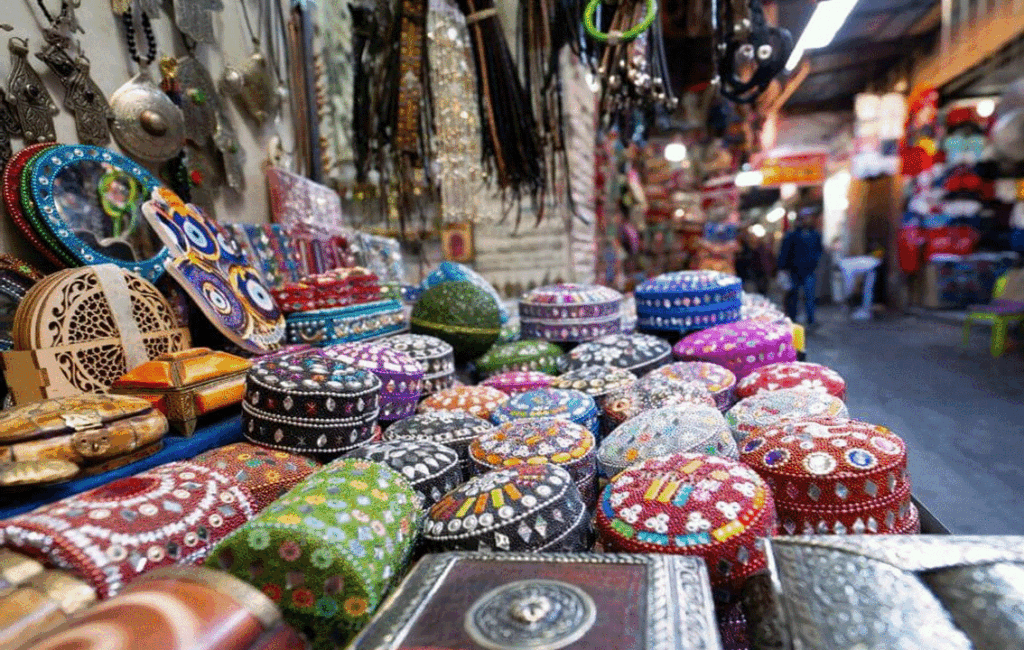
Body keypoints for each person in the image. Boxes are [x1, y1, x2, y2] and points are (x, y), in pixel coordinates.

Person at [778, 208, 824, 325]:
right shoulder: (793, 235)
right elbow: (785, 252)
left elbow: (819, 250)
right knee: (793, 296)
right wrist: (783, 268)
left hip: (809, 271)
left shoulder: (815, 234)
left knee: (810, 297)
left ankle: (811, 319)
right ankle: (792, 319)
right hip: (794, 272)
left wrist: (814, 262)